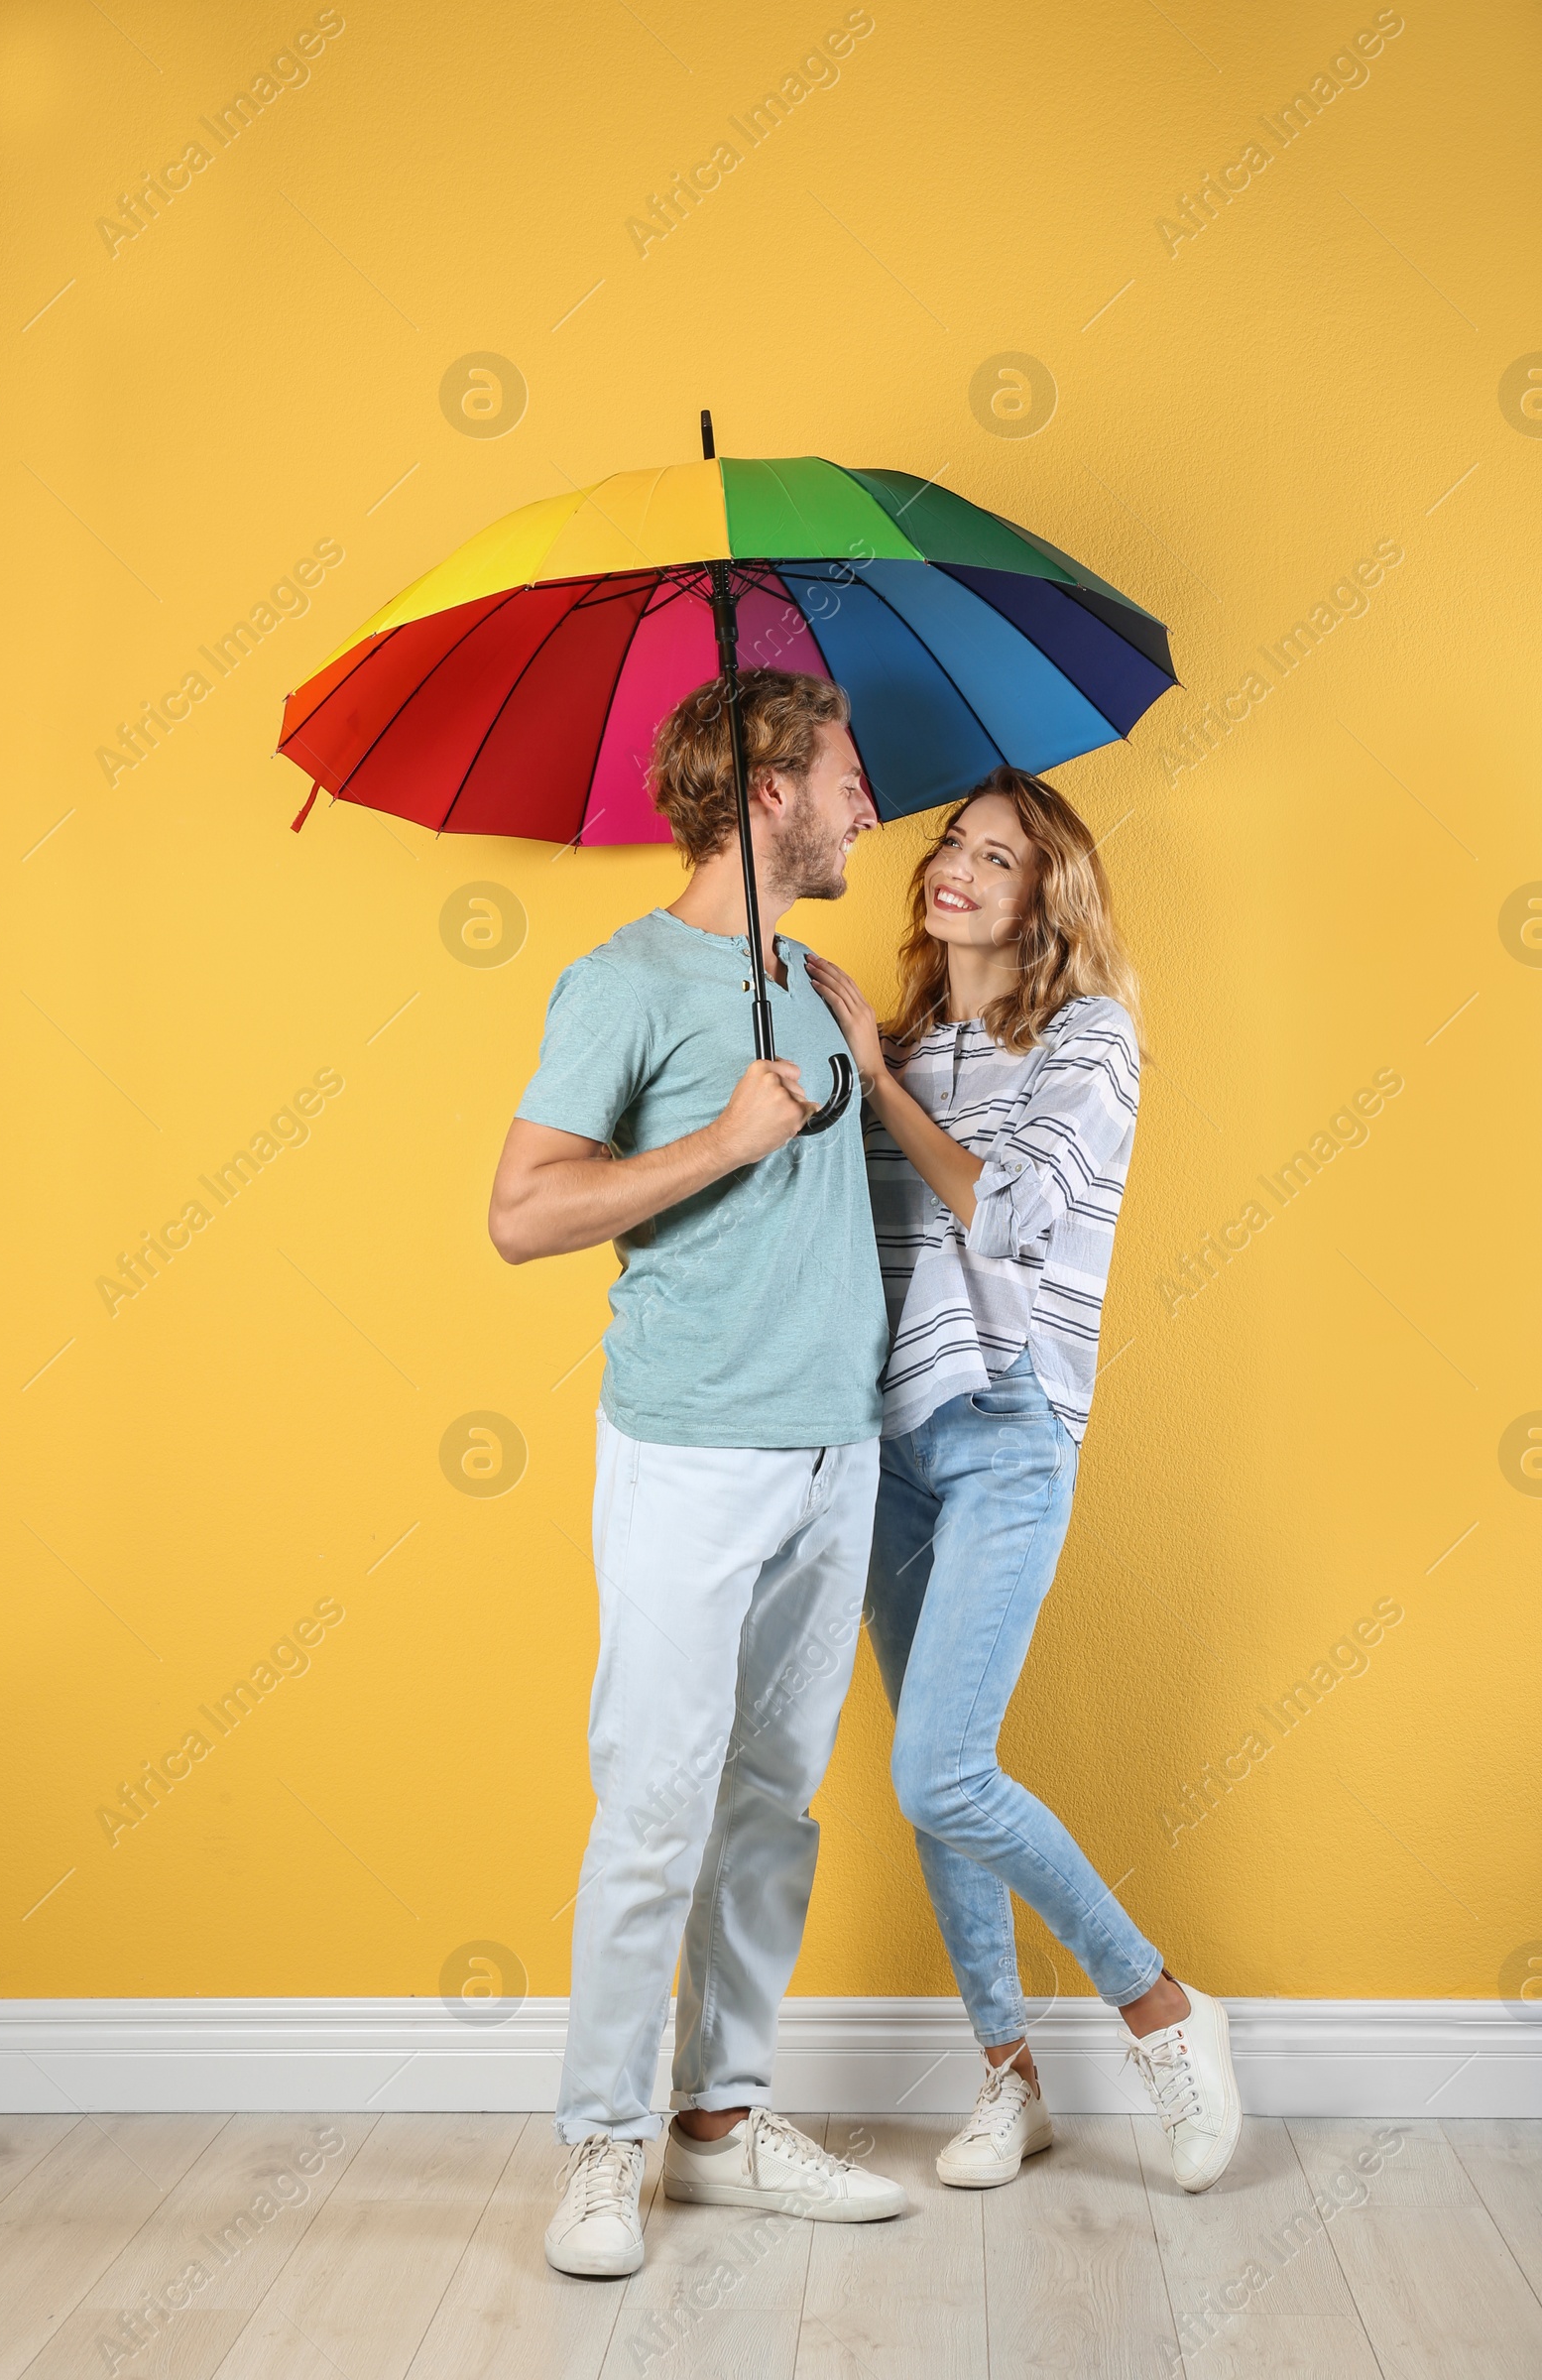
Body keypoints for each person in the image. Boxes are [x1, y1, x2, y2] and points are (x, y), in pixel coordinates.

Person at [489, 669, 907, 2279]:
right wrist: (719, 1144)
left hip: (835, 1450)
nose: (873, 805)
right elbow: (524, 1212)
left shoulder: (811, 981)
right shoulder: (625, 986)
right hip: (689, 1455)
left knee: (770, 1807)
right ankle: (602, 2147)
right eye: (849, 776)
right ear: (767, 791)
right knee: (656, 1805)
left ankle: (720, 2124)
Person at [807, 767, 1244, 2197]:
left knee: (941, 1765)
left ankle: (1161, 2011)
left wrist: (869, 1081)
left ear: (1044, 894)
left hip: (1005, 1431)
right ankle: (1009, 2077)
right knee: (937, 1792)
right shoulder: (911, 1035)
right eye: (951, 845)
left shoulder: (1089, 1039)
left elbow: (1013, 1215)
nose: (956, 870)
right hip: (887, 1442)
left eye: (996, 858)